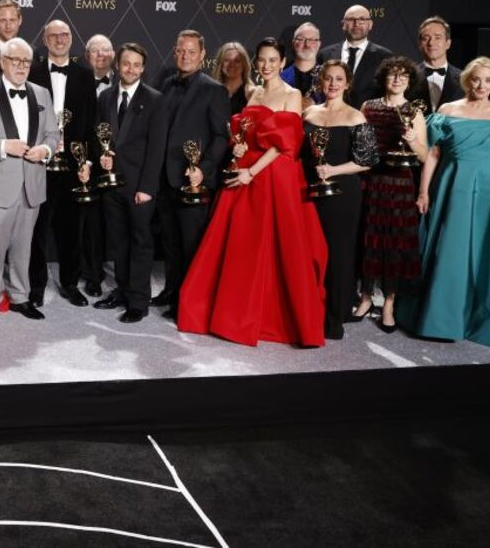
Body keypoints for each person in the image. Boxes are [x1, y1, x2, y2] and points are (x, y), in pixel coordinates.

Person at [177, 38, 328, 347]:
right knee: (241, 245)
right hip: (244, 171)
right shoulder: (254, 92)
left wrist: (251, 172)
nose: (266, 65)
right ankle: (233, 313)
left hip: (273, 176)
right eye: (262, 59)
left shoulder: (292, 94)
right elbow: (245, 133)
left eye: (273, 60)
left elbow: (285, 144)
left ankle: (267, 318)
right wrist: (239, 147)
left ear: (282, 63)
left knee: (273, 245)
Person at [400, 56, 490, 348]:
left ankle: (487, 320)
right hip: (451, 186)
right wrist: (423, 192)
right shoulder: (448, 110)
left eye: (488, 80)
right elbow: (433, 155)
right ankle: (442, 319)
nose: (481, 85)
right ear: (467, 80)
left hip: (489, 191)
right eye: (476, 79)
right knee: (448, 250)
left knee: (487, 251)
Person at [0, 38, 58, 325]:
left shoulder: (41, 94)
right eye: (14, 61)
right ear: (2, 62)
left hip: (32, 185)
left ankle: (19, 296)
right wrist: (4, 146)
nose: (20, 67)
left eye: (25, 62)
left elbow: (53, 135)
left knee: (23, 247)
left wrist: (46, 150)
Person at [86, 42, 168, 323]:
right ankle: (121, 290)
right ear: (117, 65)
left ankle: (138, 300)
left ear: (143, 68)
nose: (130, 69)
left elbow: (157, 149)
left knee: (140, 243)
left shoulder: (156, 99)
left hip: (140, 187)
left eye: (136, 64)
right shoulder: (106, 97)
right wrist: (102, 157)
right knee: (119, 243)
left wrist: (147, 188)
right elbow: (100, 136)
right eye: (125, 63)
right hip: (112, 184)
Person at [153, 31, 230, 319]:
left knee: (191, 245)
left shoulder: (214, 90)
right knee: (170, 243)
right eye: (181, 51)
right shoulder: (165, 85)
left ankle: (190, 299)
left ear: (202, 54)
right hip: (165, 179)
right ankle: (171, 291)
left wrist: (203, 169)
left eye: (191, 51)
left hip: (192, 181)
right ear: (175, 52)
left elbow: (221, 137)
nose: (185, 56)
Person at [303, 60, 379, 339]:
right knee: (309, 253)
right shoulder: (308, 113)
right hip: (309, 192)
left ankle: (333, 318)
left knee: (339, 255)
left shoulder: (356, 117)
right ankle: (308, 311)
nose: (333, 84)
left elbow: (367, 160)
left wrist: (333, 170)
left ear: (347, 84)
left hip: (343, 194)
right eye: (328, 79)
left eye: (338, 79)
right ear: (320, 82)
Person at [26, 20, 97, 307]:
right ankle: (36, 286)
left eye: (64, 34)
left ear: (71, 38)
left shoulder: (84, 74)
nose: (59, 39)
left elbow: (92, 121)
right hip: (39, 161)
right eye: (53, 35)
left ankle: (70, 283)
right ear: (44, 39)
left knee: (72, 229)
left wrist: (87, 160)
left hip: (73, 164)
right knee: (37, 229)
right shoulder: (32, 71)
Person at [357, 56, 429, 331]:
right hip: (371, 181)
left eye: (403, 76)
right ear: (383, 79)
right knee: (368, 240)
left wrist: (413, 142)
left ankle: (388, 303)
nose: (397, 79)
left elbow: (424, 156)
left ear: (410, 81)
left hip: (399, 184)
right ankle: (365, 298)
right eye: (392, 75)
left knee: (395, 243)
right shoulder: (368, 107)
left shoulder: (415, 112)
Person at [81, 34, 116, 296]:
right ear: (87, 55)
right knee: (91, 223)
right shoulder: (78, 83)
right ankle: (93, 275)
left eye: (106, 50)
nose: (101, 55)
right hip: (88, 163)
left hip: (120, 164)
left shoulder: (129, 83)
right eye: (96, 51)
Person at [318, 5, 393, 107]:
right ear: (343, 24)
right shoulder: (324, 54)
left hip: (367, 119)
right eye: (351, 19)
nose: (356, 24)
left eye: (362, 19)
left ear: (370, 25)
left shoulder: (385, 57)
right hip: (330, 118)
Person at [413, 16, 463, 113]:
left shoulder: (464, 79)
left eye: (437, 37)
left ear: (448, 43)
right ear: (419, 44)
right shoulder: (408, 77)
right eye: (425, 38)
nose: (431, 43)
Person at [282, 22, 324, 104]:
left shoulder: (329, 79)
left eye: (312, 40)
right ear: (293, 43)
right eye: (301, 39)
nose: (307, 44)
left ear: (319, 44)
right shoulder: (280, 79)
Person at [214, 41, 254, 116]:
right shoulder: (212, 92)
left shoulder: (251, 93)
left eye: (237, 61)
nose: (231, 64)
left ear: (244, 65)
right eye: (226, 60)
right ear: (220, 64)